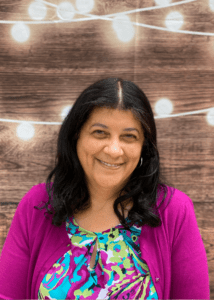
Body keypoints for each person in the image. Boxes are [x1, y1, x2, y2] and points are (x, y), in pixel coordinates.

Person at [0, 78, 210, 299]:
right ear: (76, 137)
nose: (113, 149)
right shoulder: (38, 204)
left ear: (143, 147)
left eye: (129, 136)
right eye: (100, 132)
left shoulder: (173, 209)